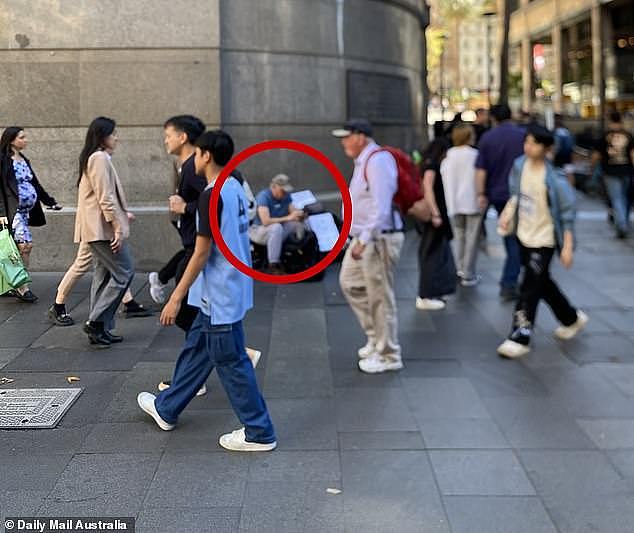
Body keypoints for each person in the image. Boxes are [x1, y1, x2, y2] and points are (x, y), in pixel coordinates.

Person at [137, 130, 276, 452]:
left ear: (207, 156)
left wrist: (174, 298)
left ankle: (259, 431)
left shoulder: (211, 196)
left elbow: (201, 252)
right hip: (228, 289)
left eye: (197, 153)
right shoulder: (234, 186)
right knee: (199, 347)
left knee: (231, 362)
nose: (193, 158)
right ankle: (166, 407)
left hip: (219, 293)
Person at [497, 125, 588, 359]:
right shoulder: (519, 166)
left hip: (544, 239)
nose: (528, 146)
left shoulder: (555, 179)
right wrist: (507, 217)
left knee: (528, 286)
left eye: (534, 143)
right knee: (541, 282)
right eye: (527, 141)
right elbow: (515, 196)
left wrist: (567, 247)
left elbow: (567, 215)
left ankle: (520, 335)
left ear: (546, 148)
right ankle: (571, 318)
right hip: (523, 235)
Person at [332, 119, 404, 374]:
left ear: (360, 136)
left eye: (346, 137)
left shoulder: (377, 161)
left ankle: (389, 354)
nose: (343, 142)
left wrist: (363, 239)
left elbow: (382, 208)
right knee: (350, 283)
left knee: (380, 297)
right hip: (364, 239)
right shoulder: (364, 160)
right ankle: (376, 337)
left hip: (377, 239)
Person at [75, 117, 135, 347]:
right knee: (124, 271)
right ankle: (96, 321)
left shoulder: (95, 158)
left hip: (96, 228)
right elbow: (105, 197)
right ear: (102, 137)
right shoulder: (99, 158)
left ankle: (100, 327)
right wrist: (117, 226)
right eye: (113, 134)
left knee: (104, 275)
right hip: (101, 229)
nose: (116, 138)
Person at [148, 115, 207, 334]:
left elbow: (215, 200)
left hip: (197, 246)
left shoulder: (194, 167)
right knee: (193, 314)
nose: (165, 141)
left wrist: (186, 208)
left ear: (182, 137)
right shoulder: (186, 165)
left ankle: (232, 352)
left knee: (184, 313)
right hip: (191, 242)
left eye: (168, 136)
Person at [0, 127, 61, 303]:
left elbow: (35, 183)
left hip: (26, 211)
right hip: (12, 211)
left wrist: (50, 202)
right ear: (11, 140)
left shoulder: (23, 159)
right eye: (22, 137)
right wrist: (1, 212)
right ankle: (22, 286)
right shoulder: (3, 160)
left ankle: (13, 281)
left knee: (17, 247)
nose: (25, 140)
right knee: (25, 245)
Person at [476, 104, 525, 300]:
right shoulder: (522, 136)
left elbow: (481, 170)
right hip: (520, 193)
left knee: (510, 236)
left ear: (493, 118)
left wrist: (481, 193)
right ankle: (509, 281)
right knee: (515, 238)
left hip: (497, 194)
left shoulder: (488, 138)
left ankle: (511, 279)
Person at [47, 243, 152, 326]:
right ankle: (58, 305)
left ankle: (128, 302)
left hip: (100, 228)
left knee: (115, 263)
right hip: (95, 229)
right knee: (82, 263)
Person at [416, 138, 457, 309]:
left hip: (433, 215)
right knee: (431, 254)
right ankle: (426, 295)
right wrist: (435, 214)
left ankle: (432, 291)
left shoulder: (426, 164)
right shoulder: (432, 166)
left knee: (434, 252)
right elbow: (428, 188)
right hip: (435, 215)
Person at [441, 124, 481, 287]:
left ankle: (458, 268)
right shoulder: (475, 155)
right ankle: (468, 273)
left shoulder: (449, 155)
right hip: (473, 201)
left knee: (459, 236)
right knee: (472, 237)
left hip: (454, 202)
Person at [248, 174, 306, 274]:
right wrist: (288, 217)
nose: (284, 193)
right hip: (259, 231)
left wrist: (299, 214)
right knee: (276, 227)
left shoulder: (286, 196)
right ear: (273, 187)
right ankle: (273, 264)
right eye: (282, 190)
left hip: (277, 229)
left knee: (297, 224)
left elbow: (292, 211)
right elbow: (265, 221)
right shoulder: (264, 197)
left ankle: (300, 254)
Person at [593, 111, 634, 239]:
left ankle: (622, 225)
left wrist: (592, 168)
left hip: (610, 171)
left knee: (616, 198)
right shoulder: (628, 135)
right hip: (627, 170)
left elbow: (596, 155)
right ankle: (624, 222)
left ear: (610, 120)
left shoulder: (605, 135)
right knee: (625, 198)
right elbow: (633, 154)